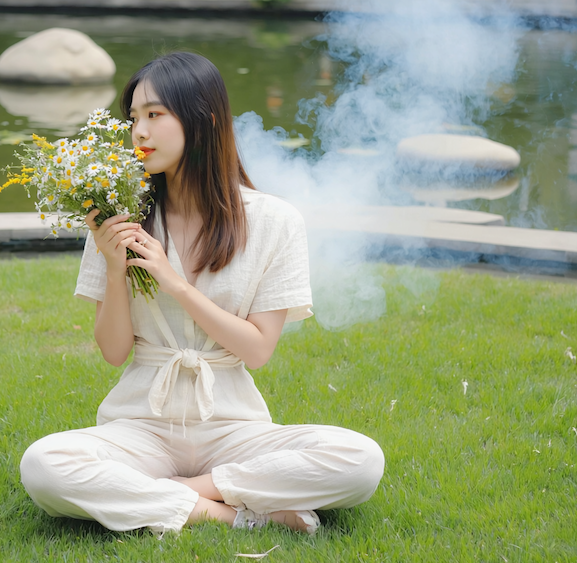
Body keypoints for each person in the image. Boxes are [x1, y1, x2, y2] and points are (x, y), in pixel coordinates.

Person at [20, 52, 384, 535]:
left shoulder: (274, 221)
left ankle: (184, 492)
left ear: (204, 118)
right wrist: (113, 268)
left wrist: (174, 283)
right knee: (43, 464)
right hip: (141, 425)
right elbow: (113, 352)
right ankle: (237, 513)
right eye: (134, 118)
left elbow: (256, 350)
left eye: (155, 115)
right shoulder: (118, 217)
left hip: (234, 428)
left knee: (361, 459)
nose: (139, 133)